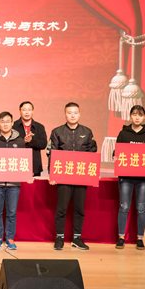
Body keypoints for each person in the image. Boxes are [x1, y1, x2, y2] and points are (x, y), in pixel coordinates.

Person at [48, 102, 97, 251]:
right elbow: (52, 154)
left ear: (79, 114)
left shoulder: (87, 132)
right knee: (61, 208)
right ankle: (59, 237)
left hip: (81, 176)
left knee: (79, 208)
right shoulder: (57, 132)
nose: (72, 115)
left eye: (75, 113)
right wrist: (52, 174)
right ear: (65, 115)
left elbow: (92, 153)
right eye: (69, 113)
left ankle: (77, 238)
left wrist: (92, 174)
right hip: (63, 176)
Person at [115, 105, 145, 251]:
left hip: (143, 178)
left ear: (144, 117)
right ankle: (121, 237)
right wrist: (115, 157)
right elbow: (116, 151)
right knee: (124, 206)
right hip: (126, 177)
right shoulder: (123, 133)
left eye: (140, 115)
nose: (137, 117)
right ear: (130, 116)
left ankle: (140, 238)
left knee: (141, 208)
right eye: (134, 114)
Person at [0, 112, 29, 251]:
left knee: (11, 212)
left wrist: (27, 175)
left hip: (13, 183)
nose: (5, 124)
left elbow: (23, 160)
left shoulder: (20, 141)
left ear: (12, 123)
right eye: (2, 121)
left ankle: (10, 238)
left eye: (8, 121)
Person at [12, 101, 47, 176]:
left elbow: (43, 144)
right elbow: (10, 144)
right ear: (20, 111)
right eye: (24, 110)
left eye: (29, 110)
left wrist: (31, 141)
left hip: (35, 165)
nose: (27, 112)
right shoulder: (13, 126)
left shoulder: (39, 127)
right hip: (17, 163)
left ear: (33, 111)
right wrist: (23, 141)